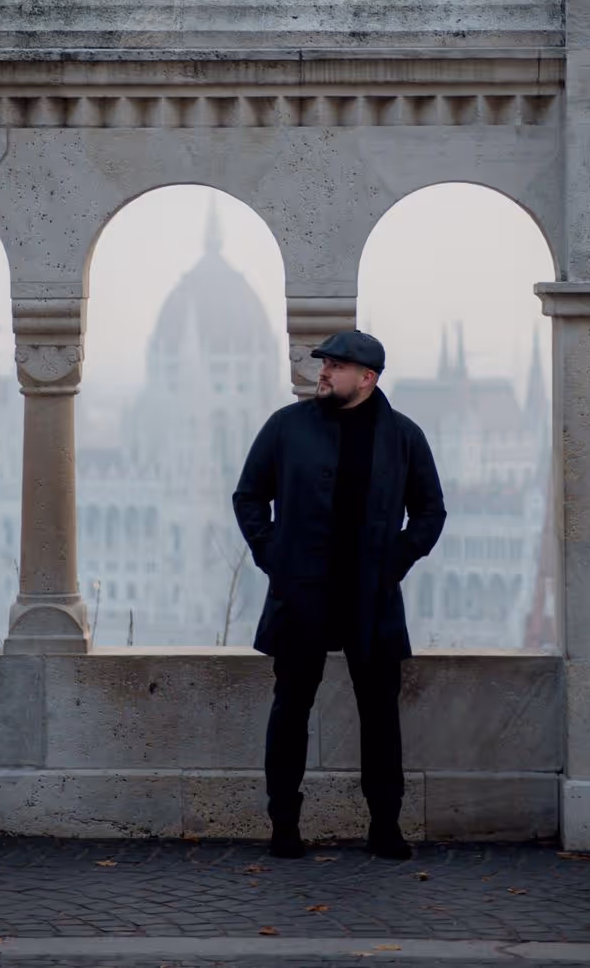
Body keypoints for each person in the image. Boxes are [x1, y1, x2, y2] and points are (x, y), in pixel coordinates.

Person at [233, 330, 446, 860]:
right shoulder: (287, 427)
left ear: (367, 378)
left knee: (380, 713)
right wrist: (272, 556)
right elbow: (249, 496)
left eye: (335, 366)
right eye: (324, 364)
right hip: (301, 592)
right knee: (291, 708)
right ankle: (284, 823)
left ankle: (385, 826)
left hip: (371, 597)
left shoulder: (403, 436)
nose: (323, 373)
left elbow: (430, 511)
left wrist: (396, 560)